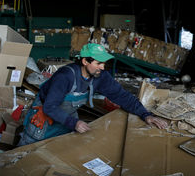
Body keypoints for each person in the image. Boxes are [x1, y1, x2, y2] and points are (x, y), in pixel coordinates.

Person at [17, 43, 168, 146]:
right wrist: (74, 123)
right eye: (98, 63)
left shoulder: (100, 76)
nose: (102, 67)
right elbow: (50, 106)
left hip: (66, 120)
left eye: (104, 63)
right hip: (43, 119)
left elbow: (123, 96)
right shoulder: (65, 76)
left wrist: (146, 115)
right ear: (84, 61)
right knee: (25, 154)